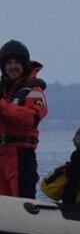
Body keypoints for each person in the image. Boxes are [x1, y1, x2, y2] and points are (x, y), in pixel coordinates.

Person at [0, 40, 47, 198]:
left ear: (24, 65)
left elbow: (29, 120)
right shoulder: (3, 92)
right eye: (9, 63)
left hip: (21, 155)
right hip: (2, 154)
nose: (12, 67)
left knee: (22, 202)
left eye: (17, 63)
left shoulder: (34, 91)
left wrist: (2, 106)